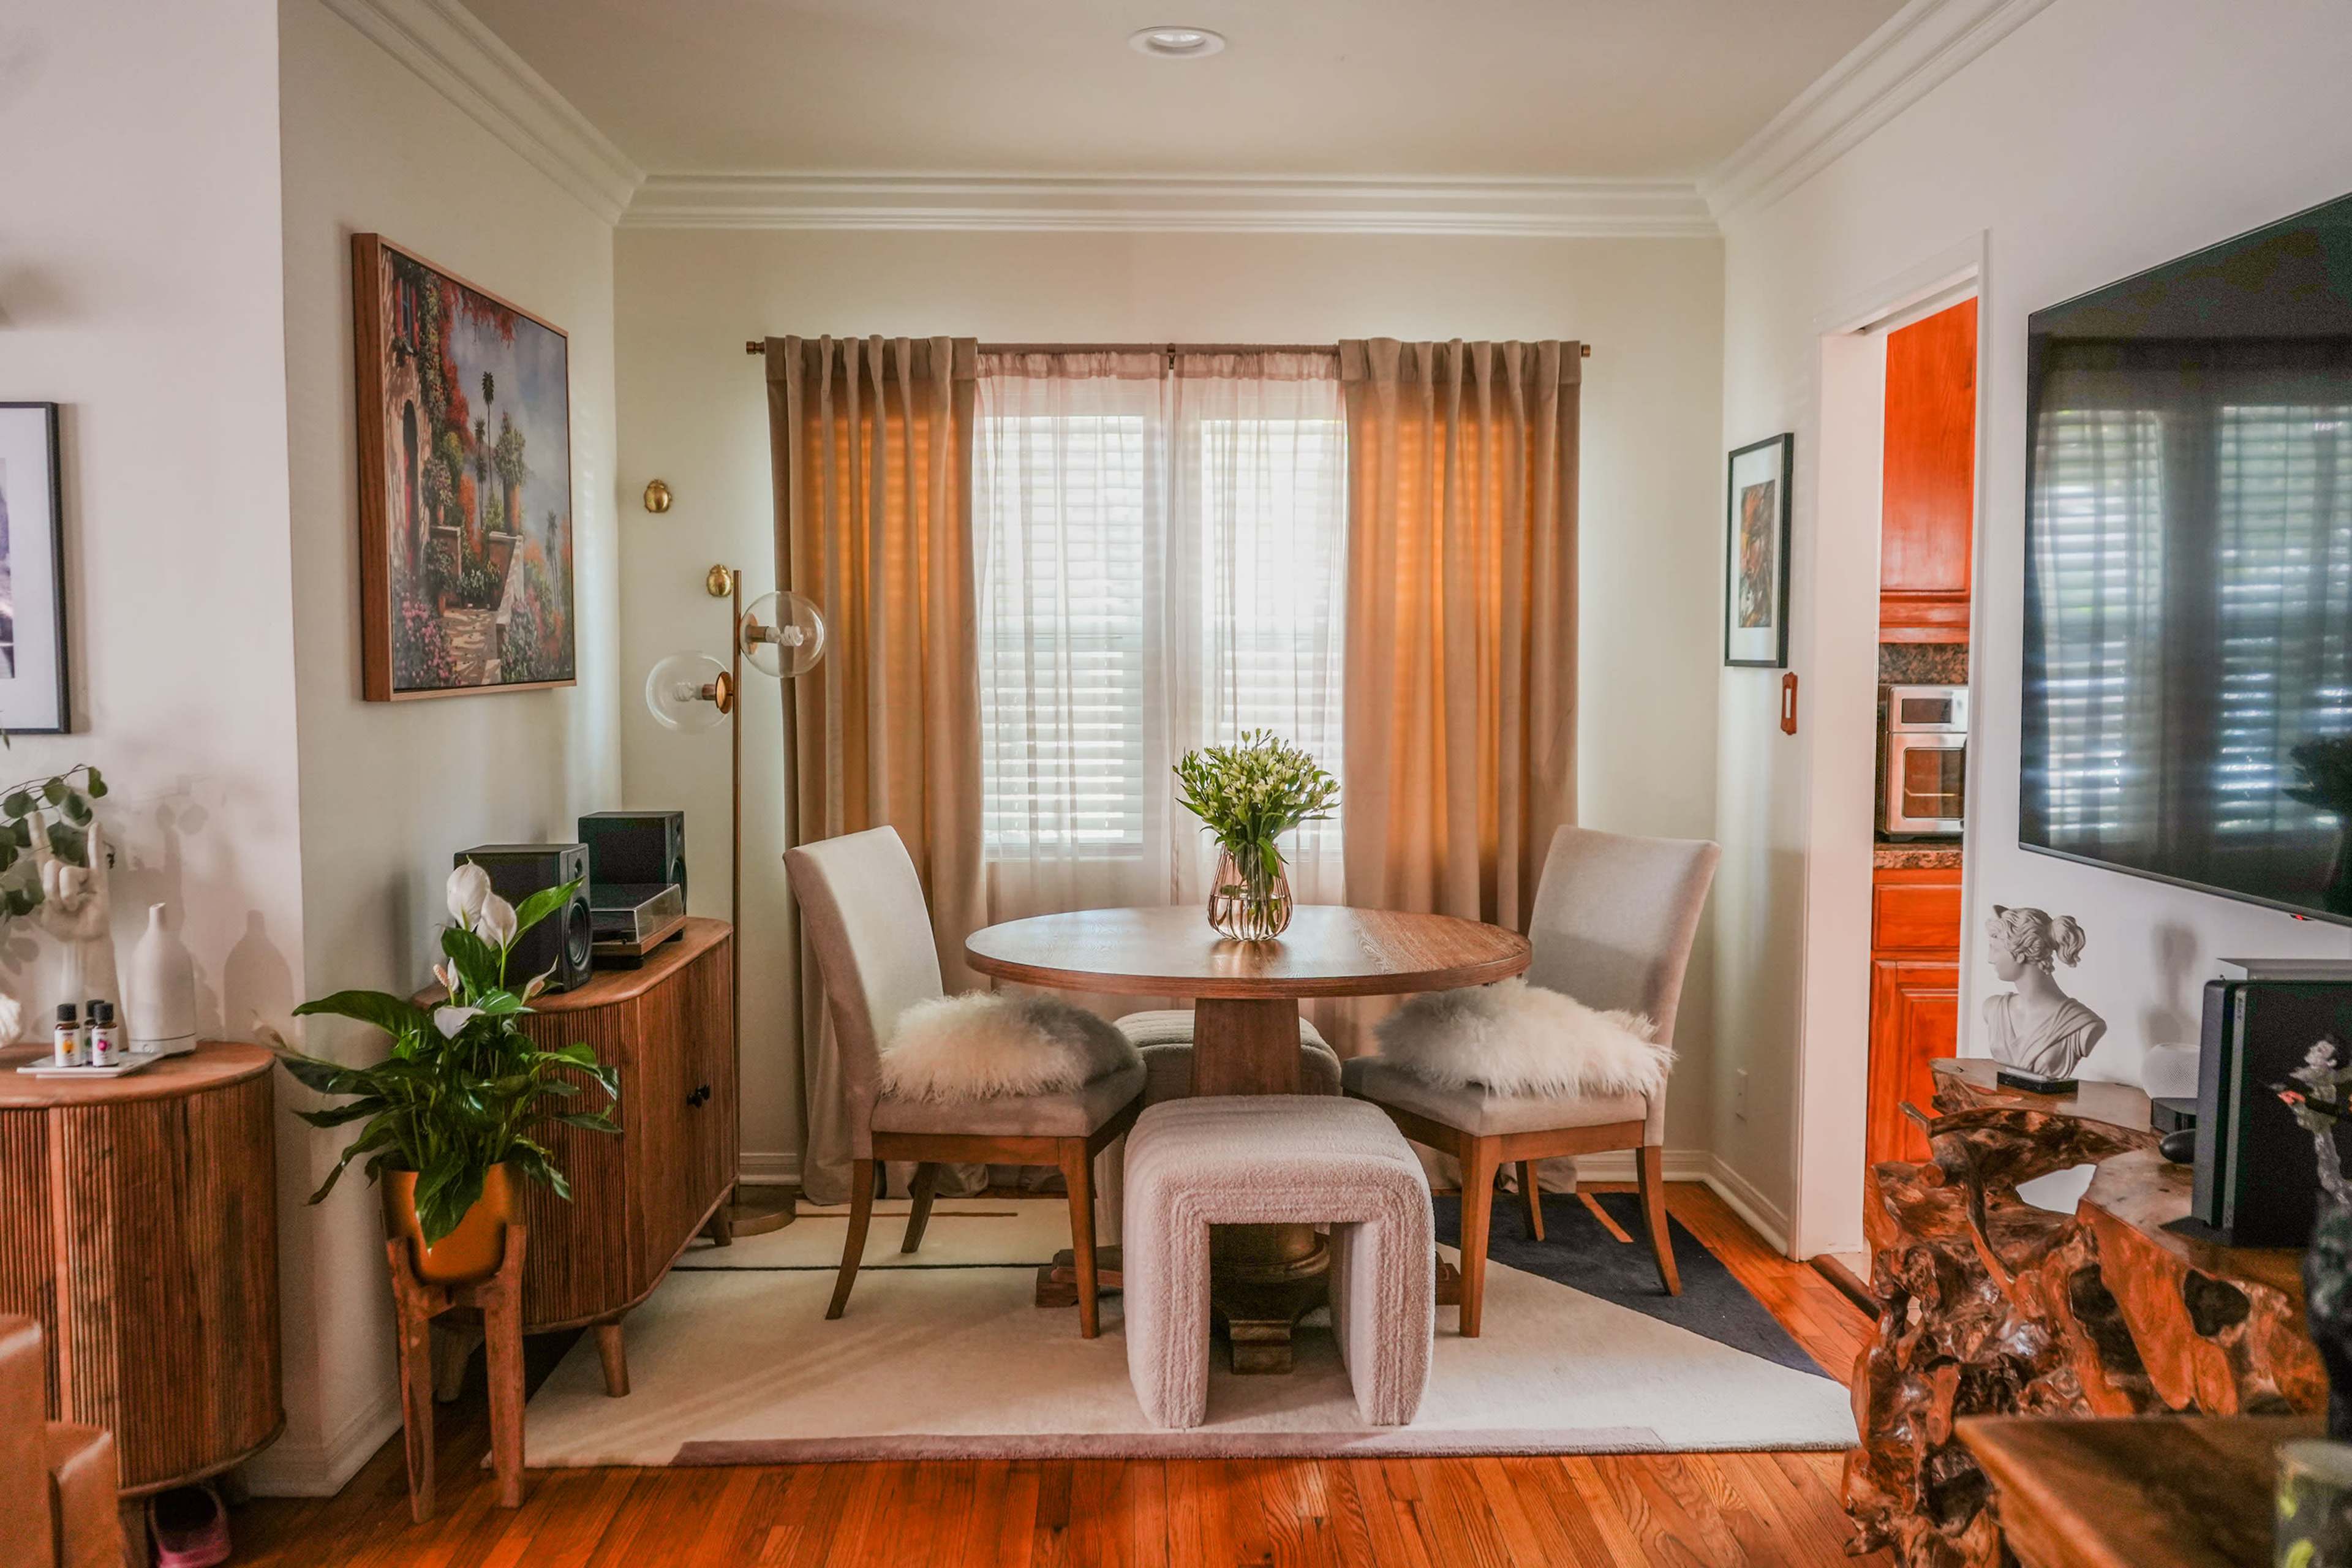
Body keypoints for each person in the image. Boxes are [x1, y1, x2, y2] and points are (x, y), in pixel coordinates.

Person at [1981, 904, 2105, 1076]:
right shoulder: (1993, 1009)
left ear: (2020, 953)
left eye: (1995, 949)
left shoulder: (2083, 1026)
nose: (1990, 959)